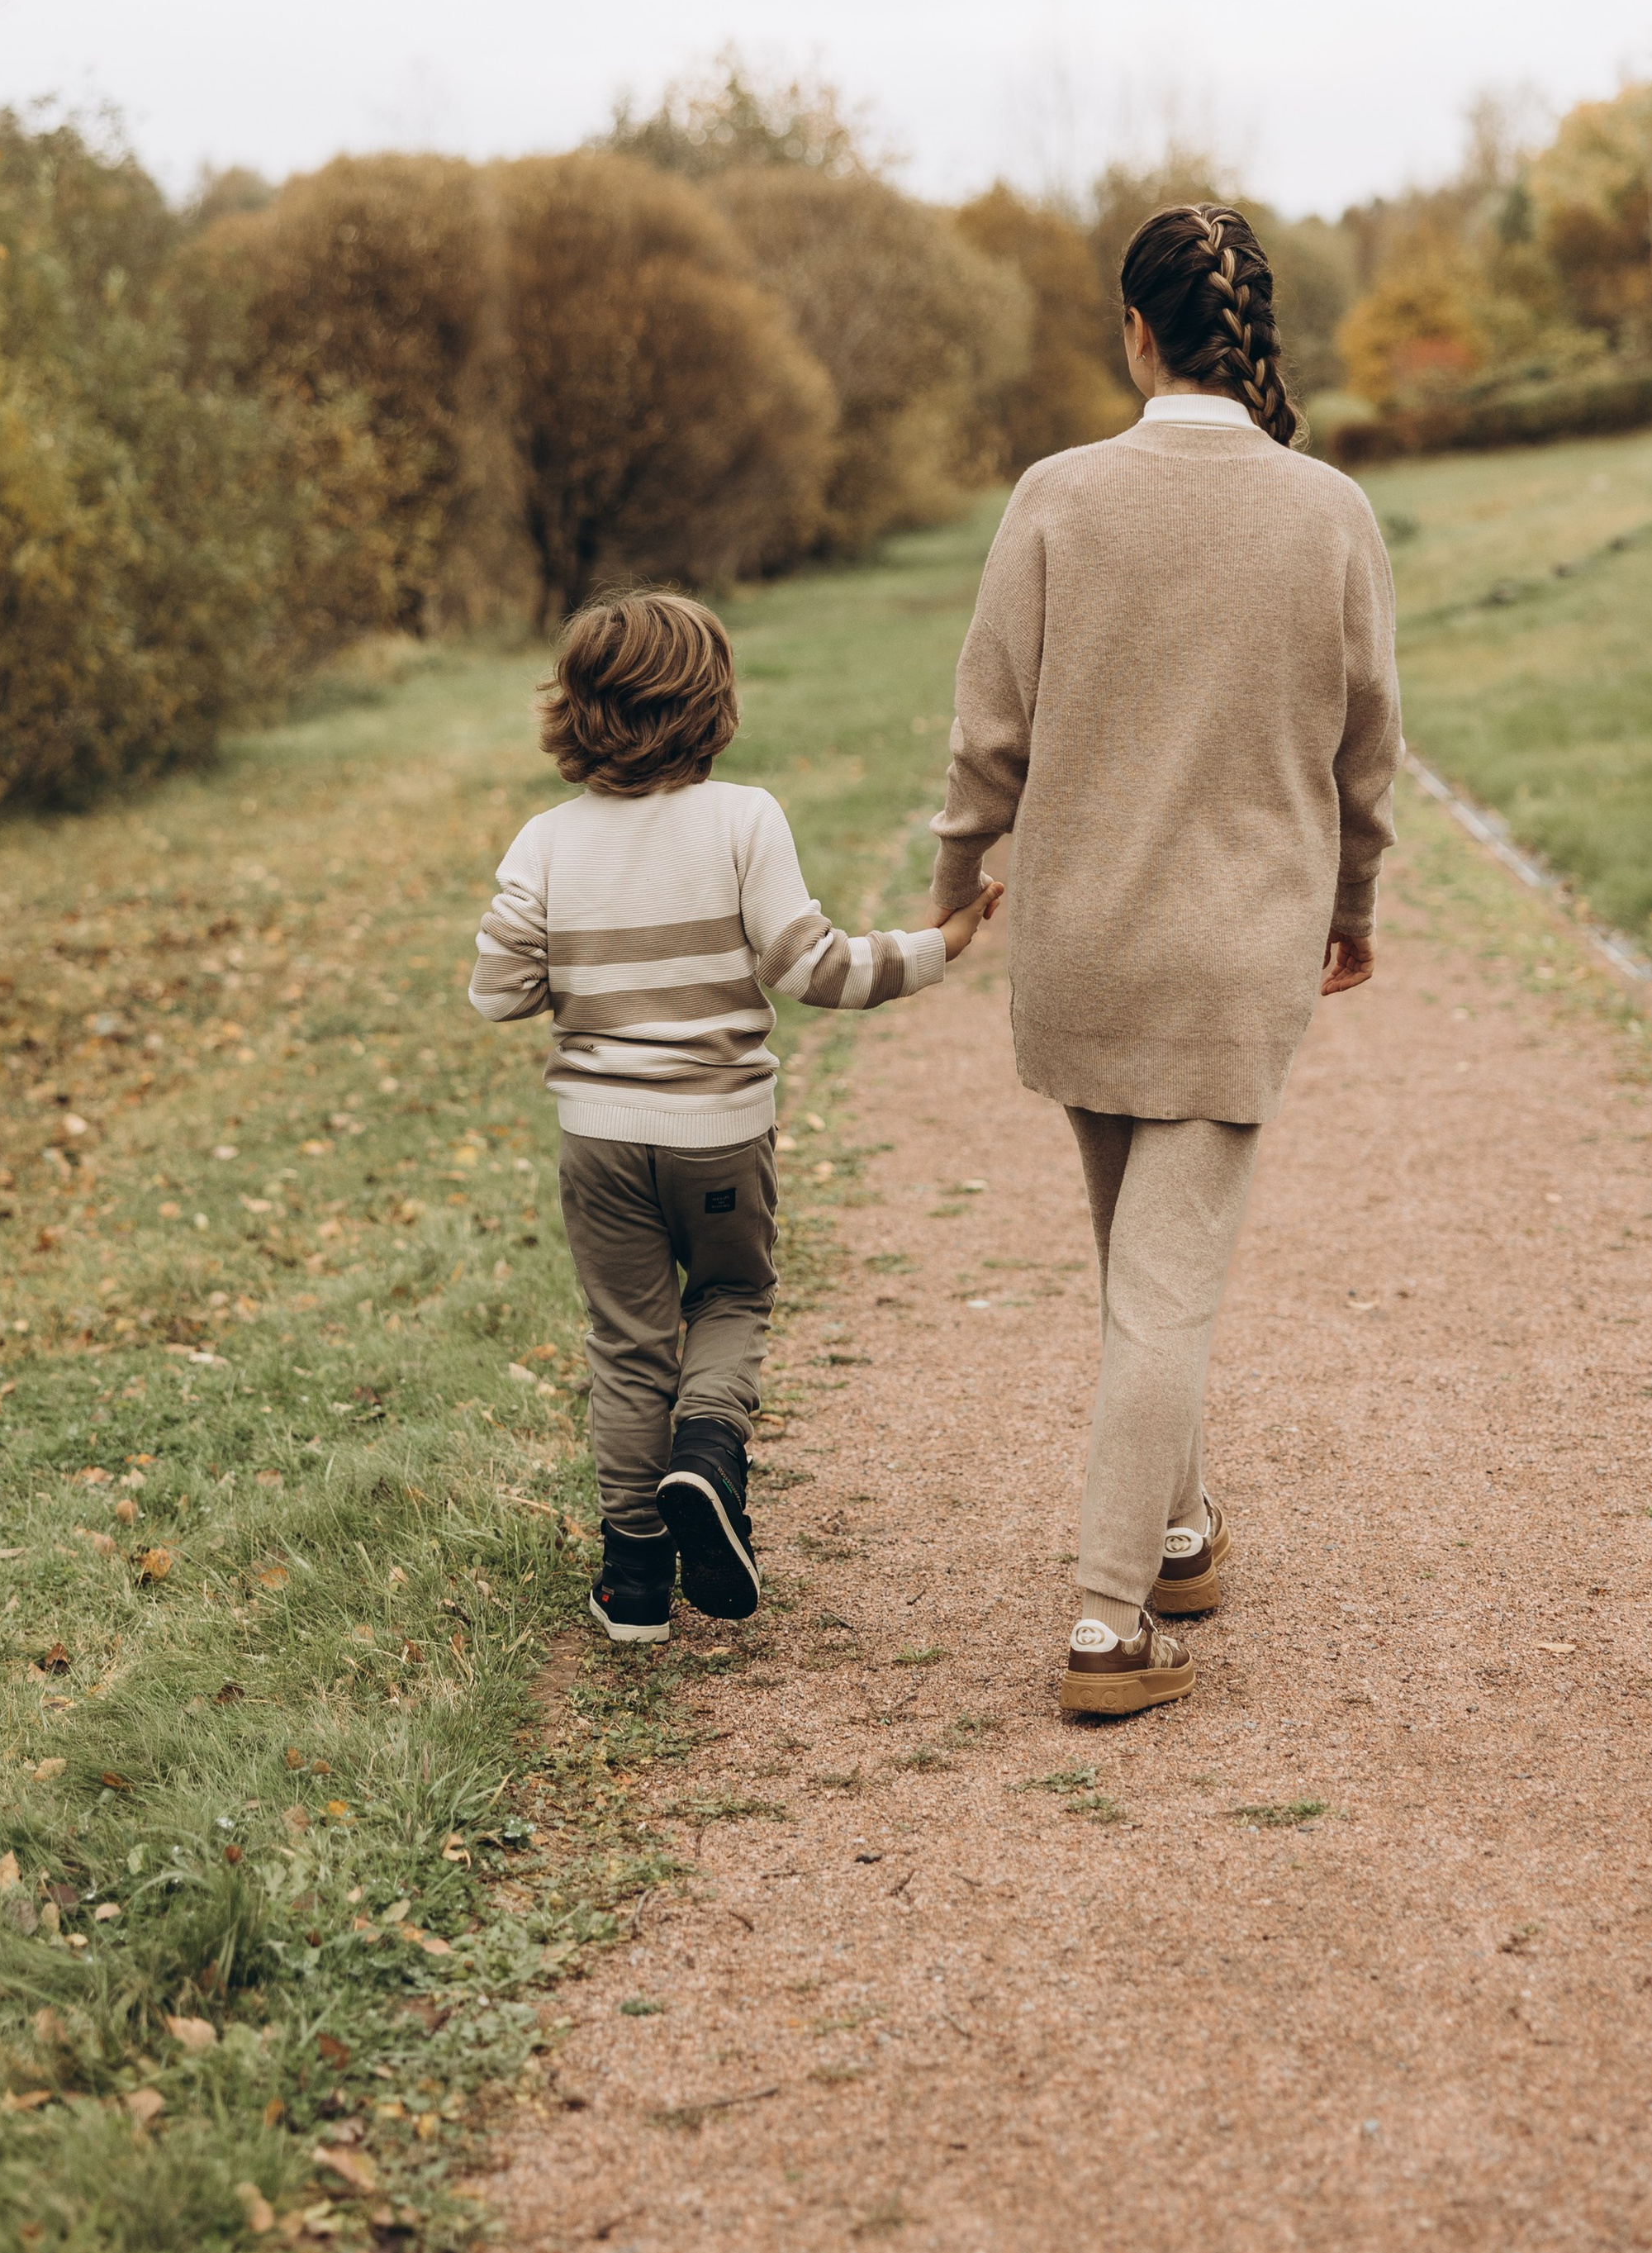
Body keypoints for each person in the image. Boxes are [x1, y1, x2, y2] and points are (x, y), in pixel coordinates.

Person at [926, 203, 1403, 1718]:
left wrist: (954, 886)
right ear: (1251, 330)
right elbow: (1367, 751)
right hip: (1228, 953)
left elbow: (986, 734)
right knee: (1167, 1289)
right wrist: (1355, 898)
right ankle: (1105, 1622)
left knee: (1140, 1269)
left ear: (1136, 331)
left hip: (1079, 944)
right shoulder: (1327, 509)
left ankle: (1180, 1527)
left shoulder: (1057, 495)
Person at [471, 590, 996, 1645]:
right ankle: (707, 1453)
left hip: (600, 1136)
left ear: (575, 711)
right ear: (712, 708)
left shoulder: (545, 841)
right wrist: (940, 943)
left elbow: (497, 991)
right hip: (718, 1130)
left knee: (625, 1344)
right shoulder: (743, 819)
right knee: (729, 1295)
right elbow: (814, 967)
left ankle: (630, 1584)